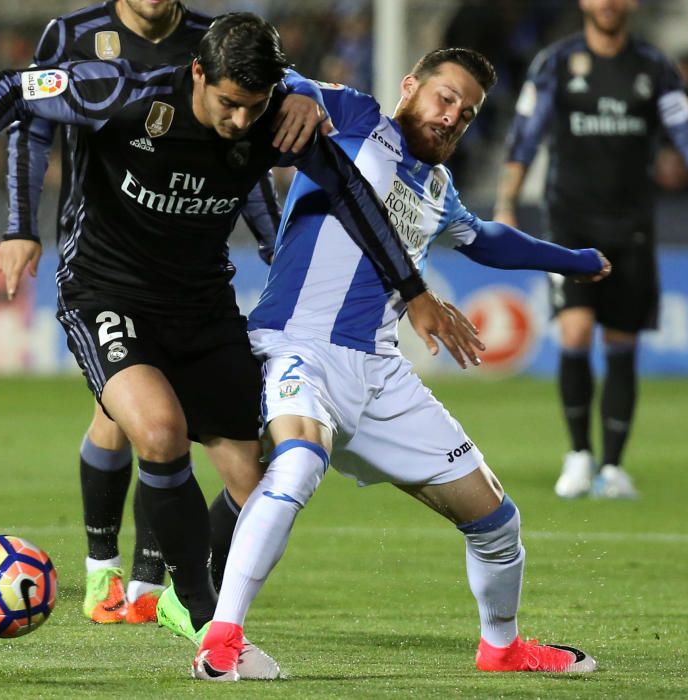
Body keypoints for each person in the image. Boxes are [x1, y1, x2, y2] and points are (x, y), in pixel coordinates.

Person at [0, 13, 479, 679]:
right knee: (159, 431)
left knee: (251, 476)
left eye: (252, 107)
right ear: (199, 74)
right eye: (228, 104)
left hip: (201, 305)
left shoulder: (273, 118)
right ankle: (207, 624)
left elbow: (349, 195)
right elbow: (9, 88)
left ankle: (178, 590)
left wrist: (411, 290)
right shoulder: (122, 90)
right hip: (105, 293)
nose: (238, 122)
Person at [189, 47, 611, 681]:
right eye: (445, 98)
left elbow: (486, 239)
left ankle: (501, 647)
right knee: (298, 462)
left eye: (466, 114)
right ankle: (220, 645)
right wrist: (298, 89)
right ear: (409, 86)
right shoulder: (357, 118)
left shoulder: (438, 190)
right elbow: (284, 81)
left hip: (380, 372)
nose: (452, 117)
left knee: (495, 516)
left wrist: (572, 259)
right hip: (298, 344)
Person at [0, 0, 309, 626]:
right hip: (110, 260)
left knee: (165, 432)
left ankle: (149, 581)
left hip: (190, 274)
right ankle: (104, 569)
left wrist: (304, 95)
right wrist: (19, 223)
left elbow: (249, 140)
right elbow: (30, 120)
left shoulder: (214, 40)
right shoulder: (74, 35)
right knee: (136, 419)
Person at [493, 0, 688, 500]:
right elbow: (524, 139)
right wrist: (506, 205)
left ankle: (614, 468)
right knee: (576, 332)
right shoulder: (556, 63)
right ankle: (579, 454)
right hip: (569, 223)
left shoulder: (654, 67)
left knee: (622, 343)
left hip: (632, 226)